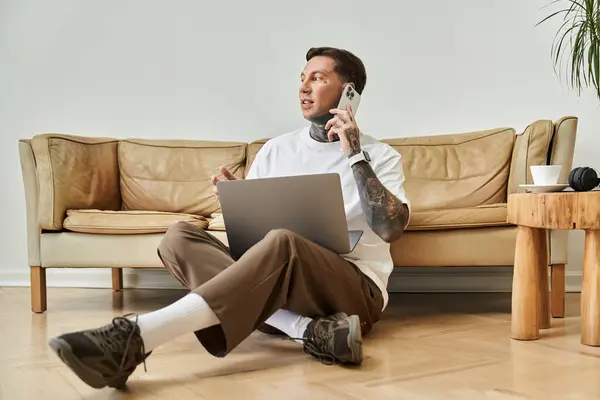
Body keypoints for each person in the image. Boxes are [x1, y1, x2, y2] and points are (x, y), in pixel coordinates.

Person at [48, 46, 411, 390]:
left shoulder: (381, 156)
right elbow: (254, 240)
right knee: (178, 237)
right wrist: (240, 200)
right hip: (276, 294)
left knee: (284, 241)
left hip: (352, 294)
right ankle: (306, 330)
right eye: (302, 77)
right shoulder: (276, 149)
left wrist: (355, 155)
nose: (303, 87)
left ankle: (137, 336)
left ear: (349, 92)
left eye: (317, 78)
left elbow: (390, 227)